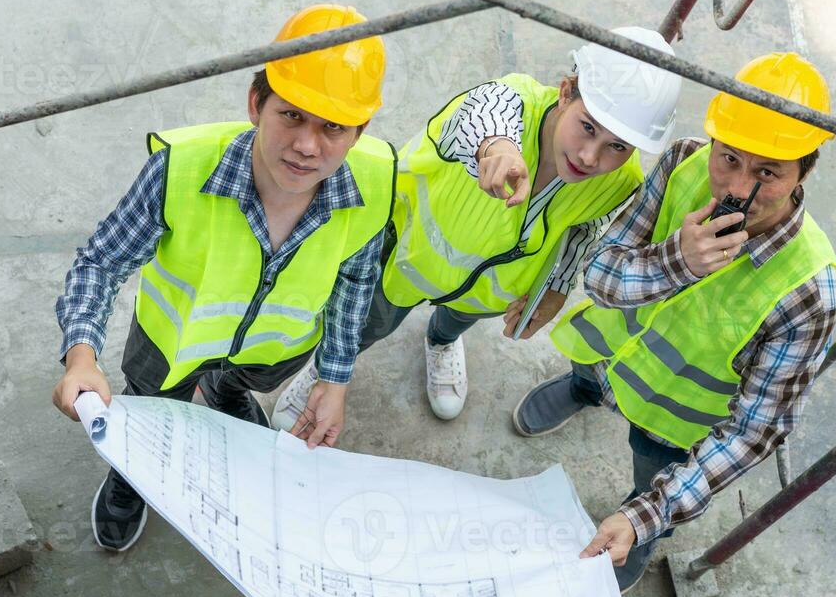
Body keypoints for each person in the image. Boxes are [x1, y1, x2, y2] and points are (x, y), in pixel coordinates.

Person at [52, 4, 395, 552]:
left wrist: (334, 378)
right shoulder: (182, 170)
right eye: (292, 116)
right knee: (152, 410)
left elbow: (355, 281)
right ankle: (132, 472)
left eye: (333, 127)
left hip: (271, 351)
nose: (308, 145)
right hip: (170, 346)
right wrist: (82, 358)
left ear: (360, 132)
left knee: (240, 382)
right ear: (257, 103)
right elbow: (101, 262)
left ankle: (224, 389)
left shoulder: (374, 188)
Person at [510, 52, 836, 594]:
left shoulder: (809, 289)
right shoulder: (684, 163)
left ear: (805, 170)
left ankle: (637, 530)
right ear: (712, 142)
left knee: (649, 472)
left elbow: (755, 431)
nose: (738, 187)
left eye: (768, 172)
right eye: (729, 158)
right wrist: (677, 262)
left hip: (672, 421)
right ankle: (583, 391)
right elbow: (599, 274)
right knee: (589, 372)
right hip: (606, 353)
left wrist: (648, 513)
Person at [272, 26, 684, 428]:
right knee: (369, 322)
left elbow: (585, 229)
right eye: (588, 127)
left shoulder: (621, 180)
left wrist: (557, 287)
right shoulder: (506, 102)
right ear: (564, 91)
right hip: (404, 256)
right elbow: (483, 116)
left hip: (486, 289)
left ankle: (442, 341)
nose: (591, 157)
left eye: (617, 146)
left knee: (456, 319)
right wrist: (497, 149)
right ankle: (328, 371)